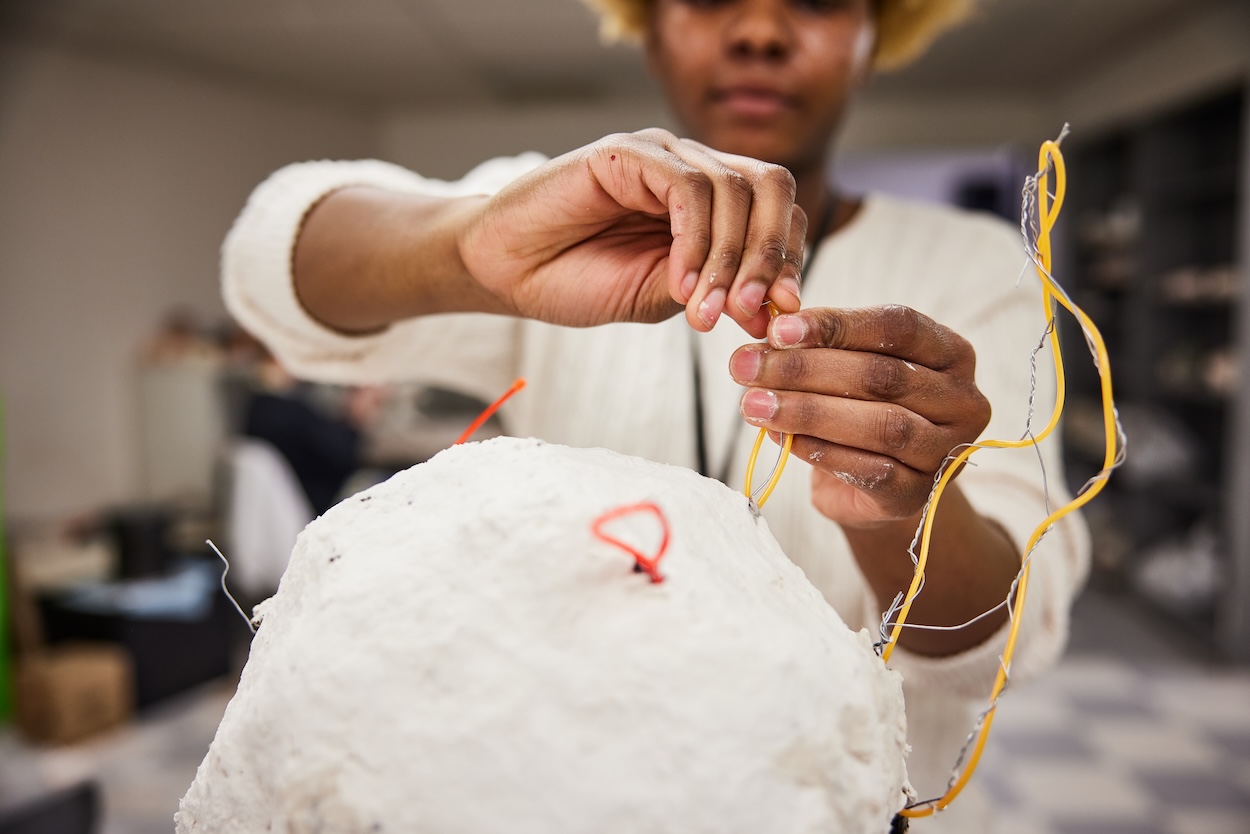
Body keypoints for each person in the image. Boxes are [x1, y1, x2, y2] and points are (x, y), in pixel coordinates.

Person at [222, 0, 1090, 828]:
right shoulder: (558, 216)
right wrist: (469, 250)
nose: (758, 31)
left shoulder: (974, 267)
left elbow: (1006, 633)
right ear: (649, 31)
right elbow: (269, 262)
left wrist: (906, 506)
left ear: (875, 36)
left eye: (819, 1)